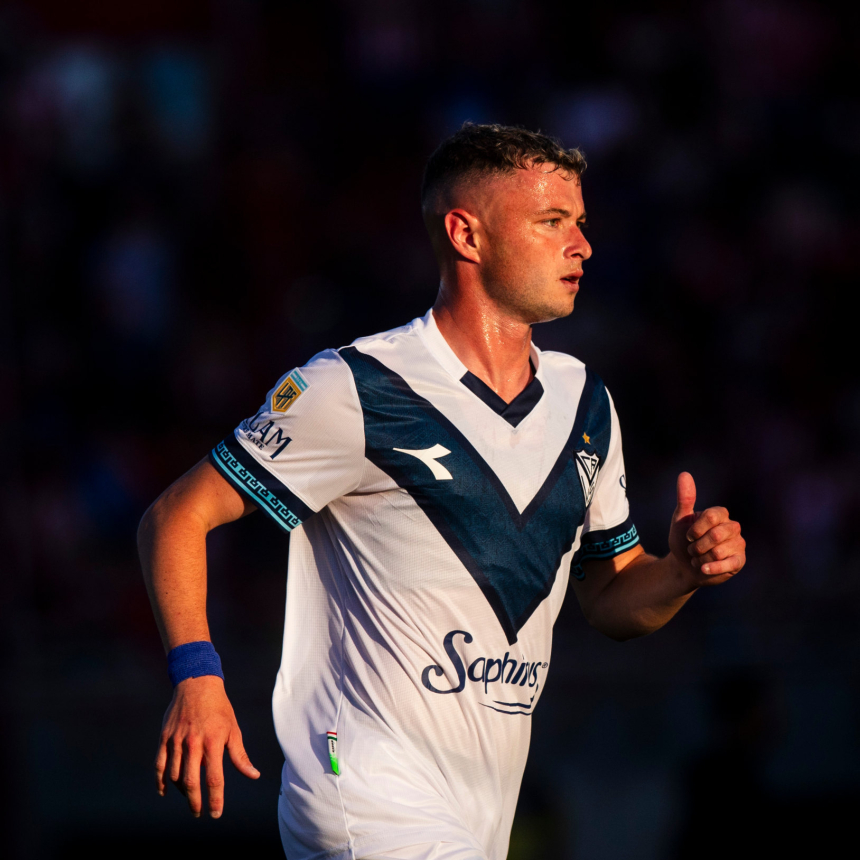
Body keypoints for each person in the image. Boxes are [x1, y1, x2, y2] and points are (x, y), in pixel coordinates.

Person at [138, 123, 746, 860]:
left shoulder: (585, 401)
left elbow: (611, 599)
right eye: (552, 221)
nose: (582, 245)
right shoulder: (357, 386)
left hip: (478, 809)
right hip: (363, 789)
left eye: (581, 222)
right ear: (467, 235)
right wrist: (198, 679)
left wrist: (680, 572)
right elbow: (176, 516)